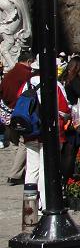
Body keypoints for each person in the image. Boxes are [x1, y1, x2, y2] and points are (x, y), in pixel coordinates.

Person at [23, 56, 72, 210]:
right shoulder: (55, 84)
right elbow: (64, 110)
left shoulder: (27, 84)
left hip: (31, 130)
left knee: (32, 169)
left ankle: (31, 206)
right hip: (49, 132)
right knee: (47, 169)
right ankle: (46, 204)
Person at [1, 50, 33, 185]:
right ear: (29, 62)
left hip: (6, 113)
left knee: (15, 143)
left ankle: (20, 172)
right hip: (20, 114)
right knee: (24, 143)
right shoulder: (27, 74)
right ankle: (14, 174)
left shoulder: (9, 74)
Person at [59, 56, 80, 181]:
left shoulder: (63, 78)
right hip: (74, 117)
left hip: (63, 115)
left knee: (66, 149)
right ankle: (67, 178)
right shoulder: (74, 81)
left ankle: (64, 176)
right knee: (71, 149)